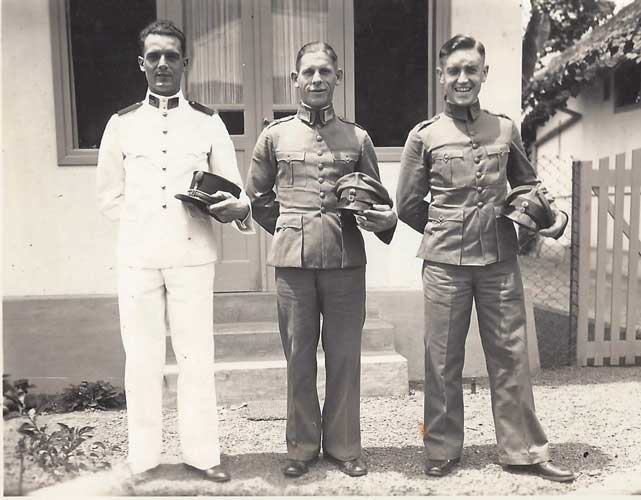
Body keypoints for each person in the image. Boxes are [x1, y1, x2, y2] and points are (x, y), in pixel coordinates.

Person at [396, 34, 575, 482]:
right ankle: (441, 448)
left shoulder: (505, 129)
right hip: (445, 265)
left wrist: (551, 216)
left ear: (484, 74)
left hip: (499, 258)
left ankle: (523, 451)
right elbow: (409, 205)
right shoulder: (424, 135)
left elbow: (527, 184)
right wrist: (445, 230)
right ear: (441, 76)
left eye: (471, 70)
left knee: (511, 354)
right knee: (442, 359)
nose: (463, 78)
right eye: (454, 71)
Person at [96, 20, 253, 482]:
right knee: (141, 359)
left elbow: (234, 189)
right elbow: (109, 196)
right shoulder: (122, 124)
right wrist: (145, 225)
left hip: (192, 256)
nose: (162, 64)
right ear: (141, 63)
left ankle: (202, 455)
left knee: (195, 358)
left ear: (186, 63)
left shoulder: (207, 122)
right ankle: (143, 458)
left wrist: (232, 208)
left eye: (171, 56)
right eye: (154, 56)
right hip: (138, 258)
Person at [245, 42, 397, 478]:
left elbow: (376, 200)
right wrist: (292, 230)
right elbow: (257, 198)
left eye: (325, 72)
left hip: (346, 261)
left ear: (338, 78)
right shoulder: (274, 136)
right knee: (298, 357)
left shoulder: (357, 138)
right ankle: (301, 447)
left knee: (345, 356)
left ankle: (345, 446)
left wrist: (384, 220)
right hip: (294, 266)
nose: (316, 79)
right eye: (308, 72)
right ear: (294, 80)